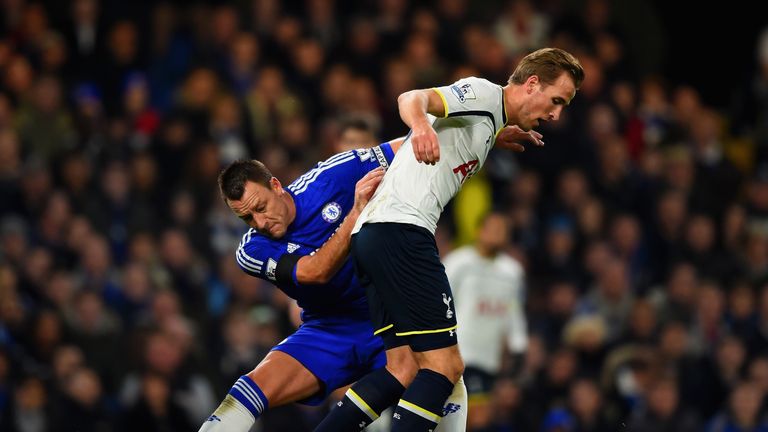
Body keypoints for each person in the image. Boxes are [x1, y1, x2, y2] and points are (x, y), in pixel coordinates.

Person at [315, 47, 583, 432]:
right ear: (533, 83)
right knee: (446, 367)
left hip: (372, 236)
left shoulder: (490, 117)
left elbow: (466, 131)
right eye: (557, 100)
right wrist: (421, 126)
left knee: (402, 370)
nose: (557, 114)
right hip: (403, 232)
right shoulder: (484, 93)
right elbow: (411, 99)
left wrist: (494, 135)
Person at [199, 138, 467, 432]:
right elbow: (316, 272)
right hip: (329, 331)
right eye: (247, 218)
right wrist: (355, 214)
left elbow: (416, 141)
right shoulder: (250, 251)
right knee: (250, 388)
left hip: (392, 318)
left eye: (261, 207)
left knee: (447, 375)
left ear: (276, 186)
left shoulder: (333, 176)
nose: (260, 222)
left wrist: (481, 134)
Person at [442, 212, 527, 430]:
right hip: (459, 355)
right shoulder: (457, 262)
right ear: (479, 231)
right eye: (493, 228)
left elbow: (513, 312)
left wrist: (519, 346)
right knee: (472, 417)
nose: (498, 234)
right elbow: (440, 304)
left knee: (477, 418)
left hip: (490, 359)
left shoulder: (512, 272)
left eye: (503, 230)